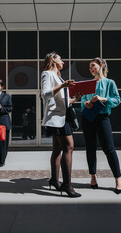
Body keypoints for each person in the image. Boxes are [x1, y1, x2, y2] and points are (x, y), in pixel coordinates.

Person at [40, 52, 82, 198]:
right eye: (60, 58)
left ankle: (54, 179)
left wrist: (74, 99)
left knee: (58, 149)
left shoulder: (58, 76)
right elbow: (44, 95)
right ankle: (67, 185)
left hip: (61, 117)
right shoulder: (47, 74)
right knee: (69, 147)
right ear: (53, 59)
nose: (63, 61)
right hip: (56, 118)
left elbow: (62, 101)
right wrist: (63, 85)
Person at [81, 57, 121, 194]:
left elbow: (117, 100)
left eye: (92, 66)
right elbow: (82, 99)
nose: (91, 69)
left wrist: (102, 98)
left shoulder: (110, 83)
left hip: (102, 117)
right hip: (88, 118)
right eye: (89, 67)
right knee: (90, 148)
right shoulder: (88, 84)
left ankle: (118, 179)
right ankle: (93, 177)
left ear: (100, 65)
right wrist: (86, 103)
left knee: (109, 148)